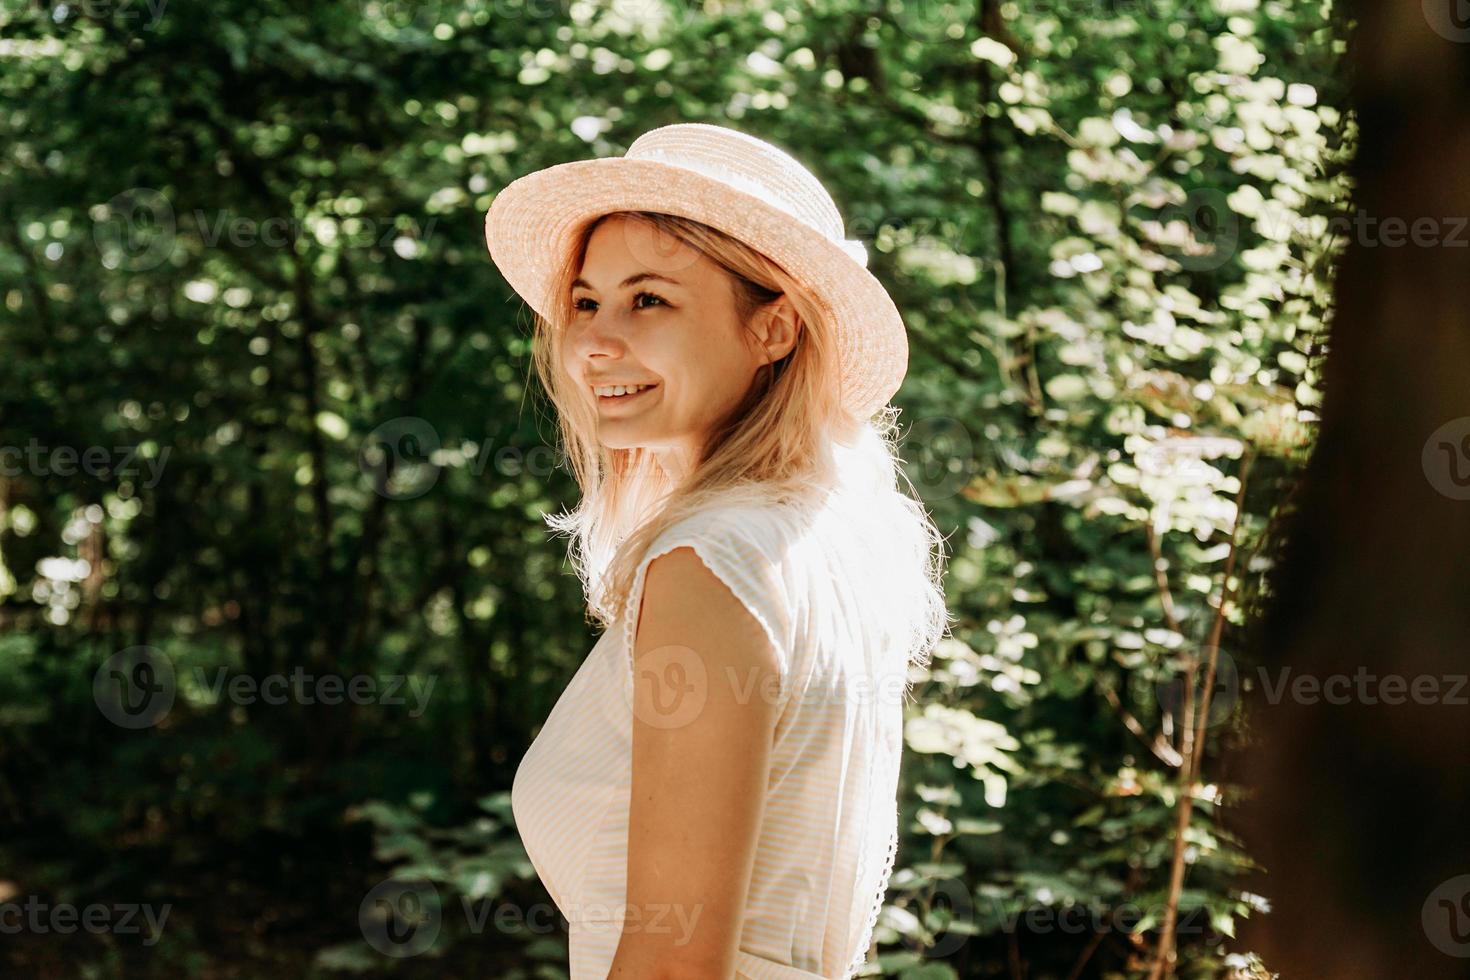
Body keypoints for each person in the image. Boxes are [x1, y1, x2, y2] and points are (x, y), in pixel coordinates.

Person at [484, 122, 952, 979]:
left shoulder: (711, 561)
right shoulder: (826, 536)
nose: (594, 341)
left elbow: (673, 962)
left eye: (649, 300)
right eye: (586, 302)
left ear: (773, 329)